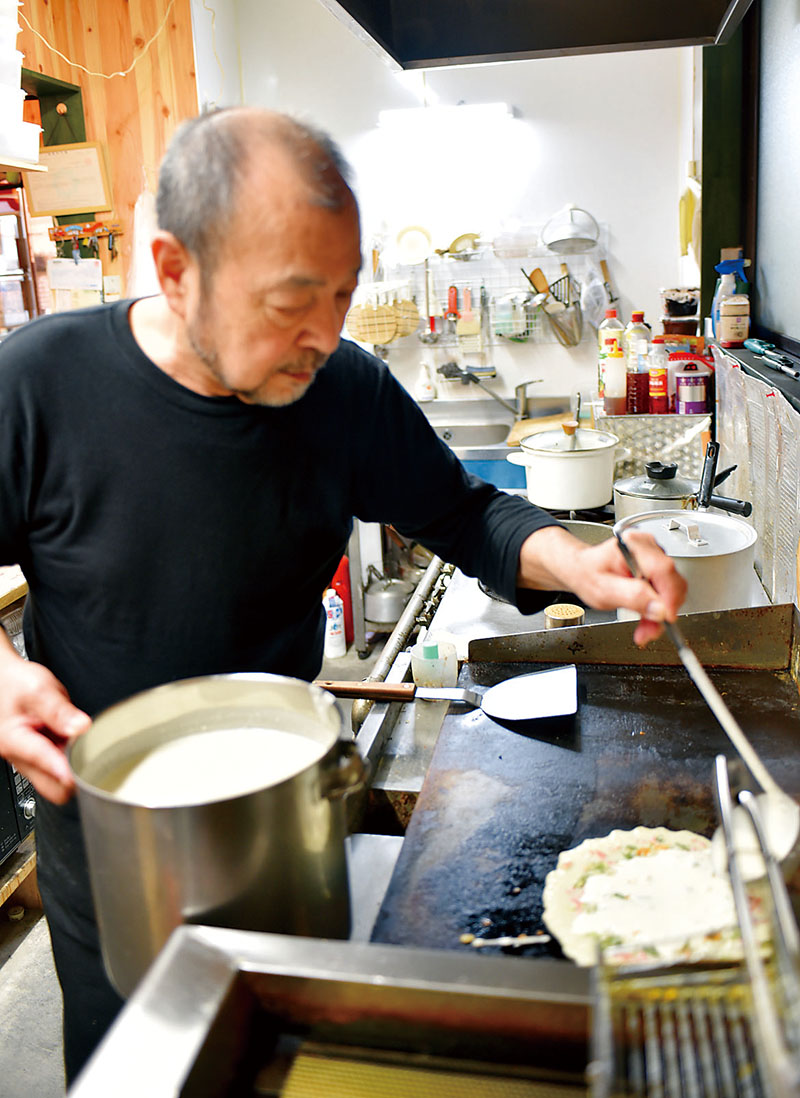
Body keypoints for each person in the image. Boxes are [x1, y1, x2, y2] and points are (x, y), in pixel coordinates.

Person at [0, 106, 686, 1082]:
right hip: (110, 832)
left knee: (293, 1060)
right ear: (175, 269)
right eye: (291, 300)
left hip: (283, 809)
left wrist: (574, 562)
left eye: (342, 293)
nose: (324, 334)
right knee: (140, 1067)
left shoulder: (343, 389)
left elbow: (465, 513)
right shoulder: (39, 384)